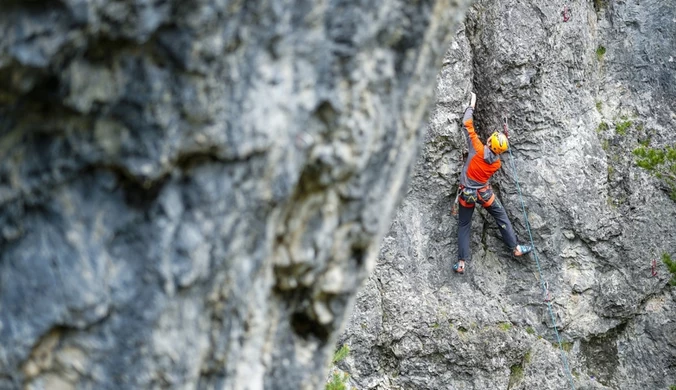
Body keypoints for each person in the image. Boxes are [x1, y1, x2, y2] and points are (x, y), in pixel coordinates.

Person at [453, 93, 532, 274]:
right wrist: (503, 139)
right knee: (501, 216)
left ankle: (461, 263)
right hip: (485, 194)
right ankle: (516, 247)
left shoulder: (478, 149)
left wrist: (472, 104)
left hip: (467, 194)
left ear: (489, 141)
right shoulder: (496, 163)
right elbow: (495, 150)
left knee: (464, 225)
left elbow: (467, 124)